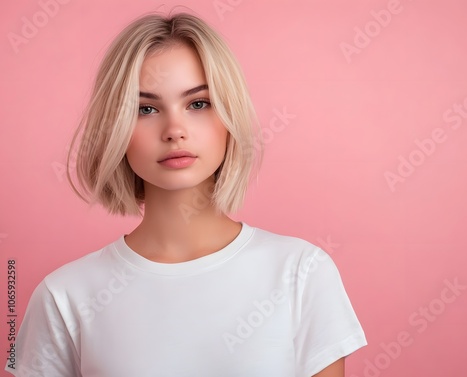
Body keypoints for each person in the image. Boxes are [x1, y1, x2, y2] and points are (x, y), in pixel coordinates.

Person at [5, 11, 367, 377]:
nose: (175, 130)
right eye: (146, 108)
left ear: (228, 115)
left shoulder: (301, 272)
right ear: (114, 128)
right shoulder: (64, 295)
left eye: (198, 104)